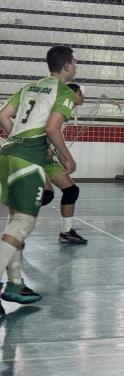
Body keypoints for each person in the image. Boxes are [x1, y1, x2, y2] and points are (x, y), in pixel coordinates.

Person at [0, 46, 78, 308]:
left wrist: (19, 139)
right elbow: (52, 127)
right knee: (23, 223)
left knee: (14, 222)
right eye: (74, 63)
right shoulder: (64, 92)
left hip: (7, 153)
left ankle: (14, 284)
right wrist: (66, 157)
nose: (75, 67)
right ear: (67, 65)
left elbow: (3, 116)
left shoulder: (29, 87)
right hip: (27, 159)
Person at [41, 82, 88, 244]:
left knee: (71, 191)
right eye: (80, 93)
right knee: (46, 196)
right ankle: (15, 227)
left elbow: (56, 141)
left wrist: (64, 161)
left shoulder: (65, 111)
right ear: (71, 94)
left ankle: (66, 233)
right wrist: (45, 147)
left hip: (48, 160)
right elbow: (42, 128)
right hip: (33, 156)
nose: (83, 96)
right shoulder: (55, 107)